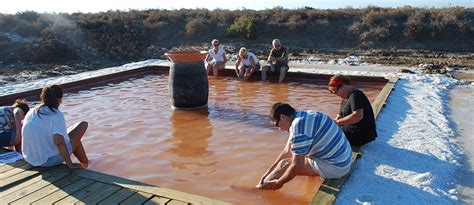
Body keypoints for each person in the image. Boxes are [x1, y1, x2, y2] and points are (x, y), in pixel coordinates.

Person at [256, 102, 353, 190]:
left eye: (277, 125)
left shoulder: (298, 127)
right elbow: (287, 151)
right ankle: (264, 183)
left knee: (285, 165)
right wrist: (268, 172)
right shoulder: (303, 115)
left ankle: (258, 190)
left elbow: (297, 166)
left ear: (283, 117)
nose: (279, 129)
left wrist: (279, 182)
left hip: (337, 167)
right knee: (300, 155)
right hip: (345, 157)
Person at [22, 85, 89, 169]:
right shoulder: (56, 114)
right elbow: (59, 141)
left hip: (29, 158)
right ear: (58, 100)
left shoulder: (32, 111)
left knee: (72, 136)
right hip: (47, 161)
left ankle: (85, 163)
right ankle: (85, 164)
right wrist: (70, 164)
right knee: (83, 125)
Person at [328, 75, 377, 146]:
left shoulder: (356, 95)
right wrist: (333, 125)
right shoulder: (345, 98)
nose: (337, 95)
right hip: (350, 133)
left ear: (343, 85)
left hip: (359, 136)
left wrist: (337, 122)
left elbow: (358, 115)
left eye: (336, 92)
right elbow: (340, 115)